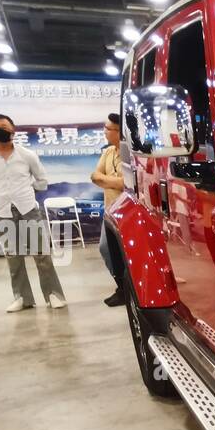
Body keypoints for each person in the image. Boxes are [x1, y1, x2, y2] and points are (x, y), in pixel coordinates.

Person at [0, 112, 66, 312]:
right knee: (13, 257)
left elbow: (42, 181)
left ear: (13, 131)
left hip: (28, 209)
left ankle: (53, 295)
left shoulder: (27, 155)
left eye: (3, 128)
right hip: (1, 211)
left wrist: (27, 190)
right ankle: (22, 297)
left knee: (41, 254)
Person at [90, 112, 125, 307]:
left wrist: (106, 180)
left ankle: (128, 289)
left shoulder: (130, 154)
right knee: (107, 249)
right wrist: (114, 182)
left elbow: (127, 184)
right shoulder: (108, 152)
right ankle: (122, 287)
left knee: (125, 254)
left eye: (108, 128)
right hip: (110, 212)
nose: (104, 132)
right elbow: (95, 176)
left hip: (126, 212)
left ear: (118, 131)